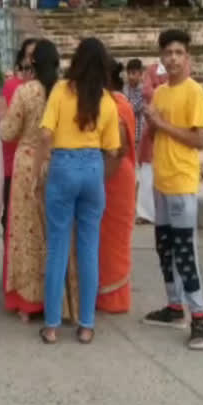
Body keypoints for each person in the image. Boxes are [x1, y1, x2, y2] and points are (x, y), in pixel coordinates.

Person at [37, 38, 120, 344]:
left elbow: (46, 134)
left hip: (63, 166)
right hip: (93, 170)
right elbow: (113, 150)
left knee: (57, 247)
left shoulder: (60, 91)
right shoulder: (108, 101)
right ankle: (86, 325)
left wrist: (37, 172)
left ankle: (52, 326)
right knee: (88, 249)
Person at [142, 29, 203, 351]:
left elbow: (199, 139)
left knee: (185, 251)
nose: (172, 58)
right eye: (167, 53)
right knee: (165, 247)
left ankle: (199, 316)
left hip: (182, 181)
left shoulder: (193, 91)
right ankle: (174, 307)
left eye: (178, 53)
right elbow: (158, 136)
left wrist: (162, 124)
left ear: (188, 57)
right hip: (162, 179)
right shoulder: (160, 93)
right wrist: (153, 124)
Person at [0, 39, 65, 322]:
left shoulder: (26, 92)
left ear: (33, 63)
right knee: (57, 236)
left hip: (27, 166)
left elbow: (8, 132)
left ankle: (29, 303)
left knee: (27, 237)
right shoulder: (63, 92)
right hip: (58, 163)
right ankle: (59, 300)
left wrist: (1, 112)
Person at [96, 60, 137, 313]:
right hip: (108, 173)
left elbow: (117, 149)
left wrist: (98, 181)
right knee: (103, 240)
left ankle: (113, 298)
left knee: (112, 241)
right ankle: (104, 295)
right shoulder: (113, 102)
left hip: (114, 176)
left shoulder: (116, 105)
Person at [0, 38, 37, 241]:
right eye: (29, 55)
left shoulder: (50, 89)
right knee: (13, 222)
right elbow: (7, 131)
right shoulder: (13, 86)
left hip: (40, 165)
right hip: (15, 164)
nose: (32, 60)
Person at [135, 61, 168, 224]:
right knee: (147, 172)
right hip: (153, 123)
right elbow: (147, 92)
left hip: (171, 124)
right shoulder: (152, 69)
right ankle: (145, 212)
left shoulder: (182, 67)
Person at [125, 59, 144, 146]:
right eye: (128, 73)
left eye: (133, 73)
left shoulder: (144, 91)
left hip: (140, 132)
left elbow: (132, 108)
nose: (130, 76)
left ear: (140, 74)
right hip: (127, 132)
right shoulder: (125, 88)